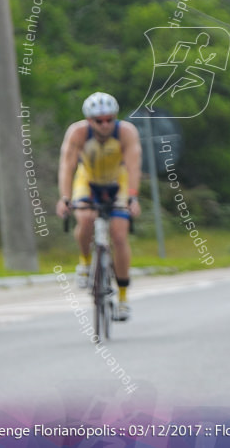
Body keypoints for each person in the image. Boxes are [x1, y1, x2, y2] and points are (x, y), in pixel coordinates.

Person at [55, 92, 142, 319]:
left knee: (120, 236)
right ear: (89, 120)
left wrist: (133, 197)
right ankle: (85, 262)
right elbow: (67, 166)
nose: (104, 125)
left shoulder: (126, 132)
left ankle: (122, 297)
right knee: (85, 219)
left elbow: (133, 167)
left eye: (109, 119)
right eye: (99, 121)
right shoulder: (78, 133)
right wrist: (65, 198)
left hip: (117, 182)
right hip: (88, 181)